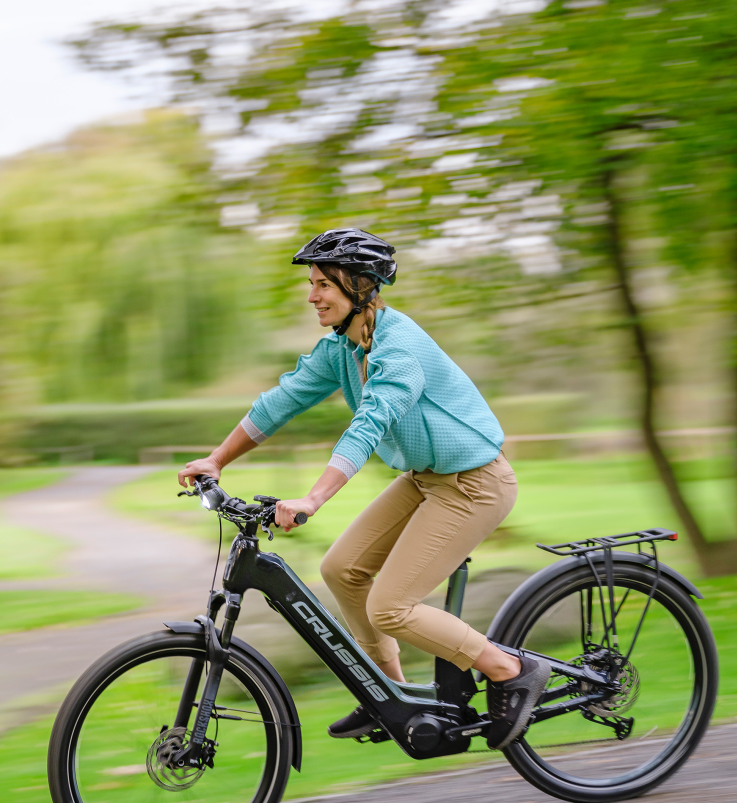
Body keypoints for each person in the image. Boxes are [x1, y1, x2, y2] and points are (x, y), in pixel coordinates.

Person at [179, 228, 547, 751]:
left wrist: (313, 498)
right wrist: (217, 458)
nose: (312, 296)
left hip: (475, 485)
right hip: (424, 479)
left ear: (360, 286)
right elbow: (281, 402)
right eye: (312, 284)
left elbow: (369, 424)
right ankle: (388, 694)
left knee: (390, 607)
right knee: (341, 569)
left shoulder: (399, 348)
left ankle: (510, 670)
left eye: (324, 284)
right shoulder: (341, 349)